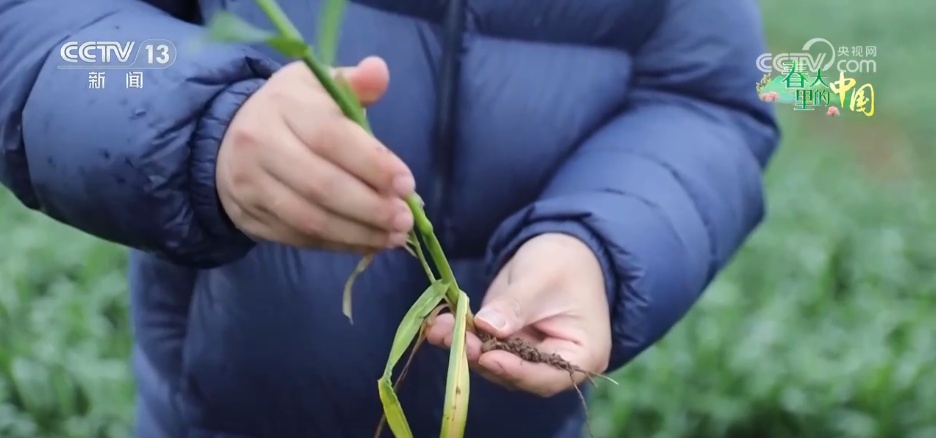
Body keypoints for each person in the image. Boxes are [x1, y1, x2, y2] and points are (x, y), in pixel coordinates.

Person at [0, 0, 779, 436]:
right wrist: (202, 125)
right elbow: (42, 33)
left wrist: (597, 242)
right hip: (219, 415)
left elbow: (711, 95)